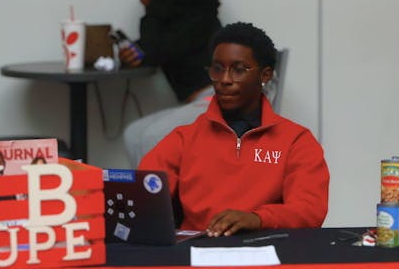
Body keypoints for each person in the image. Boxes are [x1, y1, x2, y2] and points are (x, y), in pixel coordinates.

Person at [139, 22, 329, 237]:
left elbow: (309, 210)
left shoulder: (296, 140)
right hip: (196, 252)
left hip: (268, 253)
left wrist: (258, 219)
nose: (225, 80)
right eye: (217, 69)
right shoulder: (183, 139)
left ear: (265, 76)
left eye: (238, 70)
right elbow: (142, 197)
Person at [120, 0, 222, 168]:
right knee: (134, 134)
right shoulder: (181, 21)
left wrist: (149, 7)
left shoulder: (200, 18)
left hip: (219, 101)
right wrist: (135, 53)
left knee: (152, 137)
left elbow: (155, 50)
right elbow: (154, 49)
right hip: (201, 103)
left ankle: (156, 201)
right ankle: (148, 200)